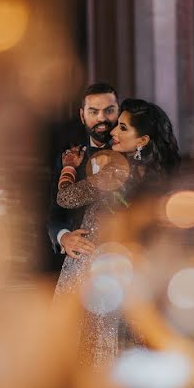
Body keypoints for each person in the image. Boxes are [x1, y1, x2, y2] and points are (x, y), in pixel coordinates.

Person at [53, 98, 180, 367]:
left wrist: (68, 167)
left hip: (94, 268)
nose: (113, 131)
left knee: (88, 349)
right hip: (137, 272)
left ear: (143, 140)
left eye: (123, 128)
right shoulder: (161, 178)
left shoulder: (115, 171)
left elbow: (66, 198)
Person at [47, 83, 119, 259]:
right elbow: (56, 212)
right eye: (93, 112)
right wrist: (64, 237)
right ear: (82, 115)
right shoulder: (68, 155)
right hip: (80, 261)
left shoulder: (130, 159)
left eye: (109, 110)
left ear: (119, 111)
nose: (101, 118)